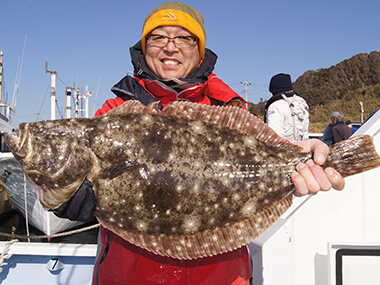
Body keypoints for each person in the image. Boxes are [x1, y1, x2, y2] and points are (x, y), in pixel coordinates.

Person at [52, 2, 345, 284]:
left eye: (184, 38)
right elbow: (67, 184)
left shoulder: (229, 112)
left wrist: (301, 158)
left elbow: (266, 154)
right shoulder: (113, 113)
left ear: (200, 50)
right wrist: (64, 196)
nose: (170, 46)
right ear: (143, 48)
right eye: (157, 38)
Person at [265, 73, 309, 142]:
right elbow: (305, 135)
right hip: (302, 148)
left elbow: (274, 137)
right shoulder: (301, 104)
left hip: (284, 151)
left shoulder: (276, 106)